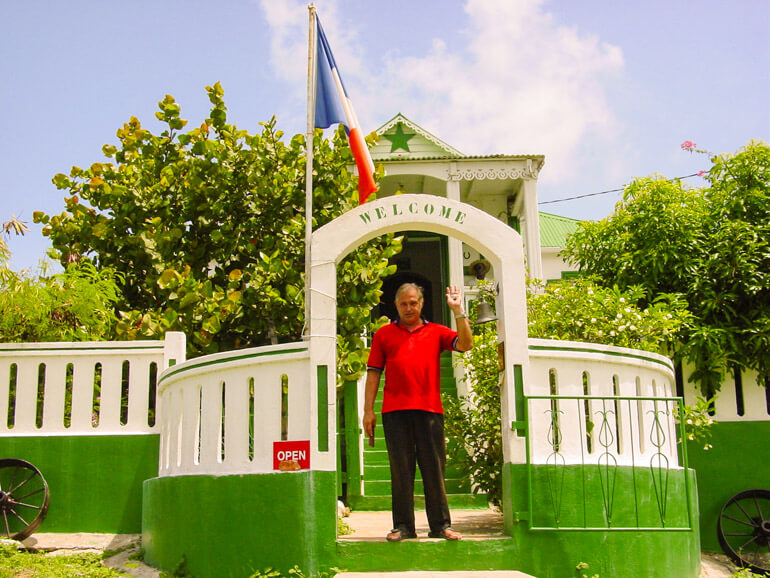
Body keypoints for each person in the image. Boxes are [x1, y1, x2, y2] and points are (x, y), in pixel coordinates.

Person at [363, 282, 473, 541]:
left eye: (413, 303)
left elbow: (466, 344)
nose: (409, 308)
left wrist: (458, 311)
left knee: (433, 469)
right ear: (396, 306)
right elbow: (373, 373)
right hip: (394, 411)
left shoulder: (437, 332)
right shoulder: (383, 335)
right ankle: (402, 526)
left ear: (421, 304)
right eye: (404, 303)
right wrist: (368, 410)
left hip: (429, 410)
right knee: (401, 470)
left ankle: (440, 526)